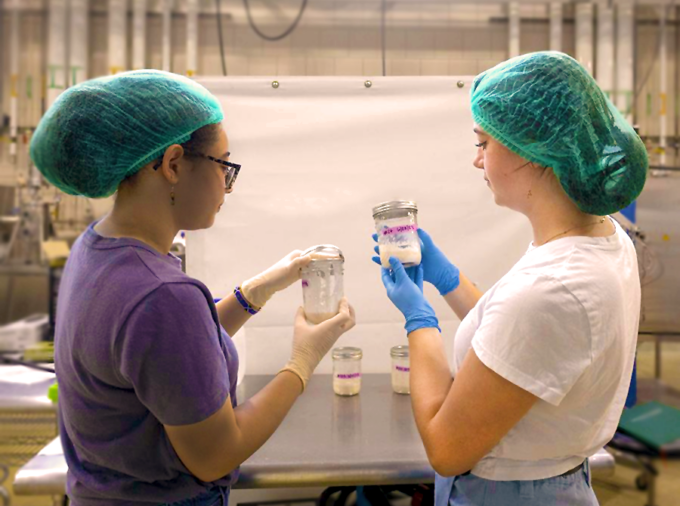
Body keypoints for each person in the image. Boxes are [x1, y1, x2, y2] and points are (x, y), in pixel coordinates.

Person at [30, 70, 356, 506]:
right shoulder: (161, 294)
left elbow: (166, 355)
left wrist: (256, 291)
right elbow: (215, 454)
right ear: (173, 164)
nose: (228, 185)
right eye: (224, 166)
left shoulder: (97, 250)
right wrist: (302, 362)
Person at [374, 51, 647, 505]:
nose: (477, 161)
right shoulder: (600, 235)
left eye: (483, 143)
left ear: (533, 152)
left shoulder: (552, 290)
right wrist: (446, 279)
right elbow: (515, 344)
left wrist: (418, 319)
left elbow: (446, 450)